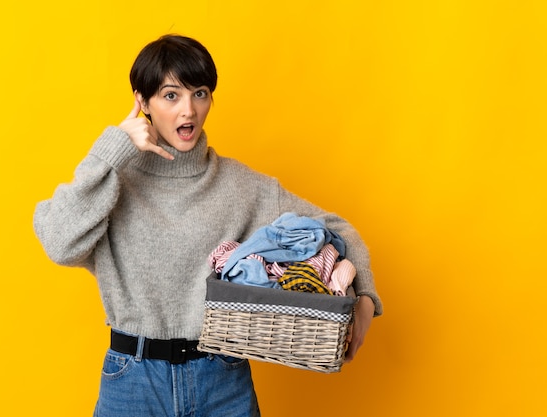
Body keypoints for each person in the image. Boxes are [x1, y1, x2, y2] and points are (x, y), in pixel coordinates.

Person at [34, 34, 383, 417]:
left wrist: (364, 296)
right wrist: (112, 148)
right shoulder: (114, 182)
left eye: (199, 93)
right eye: (171, 96)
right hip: (133, 380)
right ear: (142, 101)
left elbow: (336, 228)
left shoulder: (240, 185)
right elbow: (58, 241)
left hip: (222, 379)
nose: (188, 111)